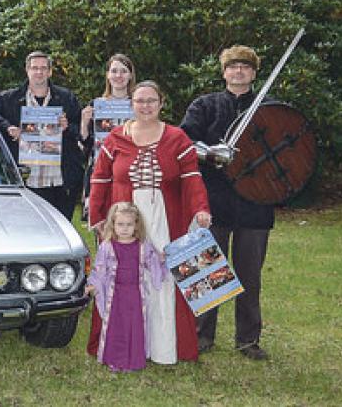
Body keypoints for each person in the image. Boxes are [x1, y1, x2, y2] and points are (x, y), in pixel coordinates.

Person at [88, 80, 211, 364]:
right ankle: (126, 344)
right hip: (125, 221)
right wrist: (96, 216)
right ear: (131, 104)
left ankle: (164, 348)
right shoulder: (115, 138)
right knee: (125, 278)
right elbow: (100, 178)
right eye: (140, 101)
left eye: (151, 101)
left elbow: (192, 179)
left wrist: (201, 210)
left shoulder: (177, 138)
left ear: (161, 103)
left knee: (164, 278)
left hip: (167, 219)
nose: (145, 106)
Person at [180, 45, 273, 361]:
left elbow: (285, 155)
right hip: (212, 200)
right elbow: (183, 143)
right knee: (206, 271)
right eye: (233, 66)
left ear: (253, 73)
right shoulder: (205, 105)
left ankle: (248, 340)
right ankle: (201, 335)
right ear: (224, 72)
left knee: (250, 277)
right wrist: (209, 153)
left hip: (255, 204)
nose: (238, 72)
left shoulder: (269, 110)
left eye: (245, 67)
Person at [0, 51, 84, 220]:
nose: (39, 72)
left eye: (43, 68)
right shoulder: (12, 97)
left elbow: (82, 132)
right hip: (28, 178)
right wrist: (8, 127)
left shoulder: (65, 97)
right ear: (27, 70)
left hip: (60, 179)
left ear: (50, 71)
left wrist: (67, 127)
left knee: (62, 229)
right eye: (34, 68)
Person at [86, 202, 166, 372]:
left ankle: (134, 360)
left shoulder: (143, 246)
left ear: (136, 225)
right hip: (115, 295)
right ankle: (115, 359)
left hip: (136, 294)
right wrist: (93, 284)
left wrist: (161, 260)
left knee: (134, 326)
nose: (124, 229)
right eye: (120, 224)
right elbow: (100, 268)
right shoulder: (106, 247)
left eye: (129, 225)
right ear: (113, 225)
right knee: (116, 327)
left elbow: (152, 263)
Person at [80, 53, 136, 228]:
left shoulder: (140, 104)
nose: (119, 76)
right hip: (101, 174)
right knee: (102, 227)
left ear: (130, 75)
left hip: (131, 174)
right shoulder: (96, 105)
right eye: (114, 71)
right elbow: (85, 145)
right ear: (107, 75)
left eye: (124, 71)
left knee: (132, 227)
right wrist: (84, 122)